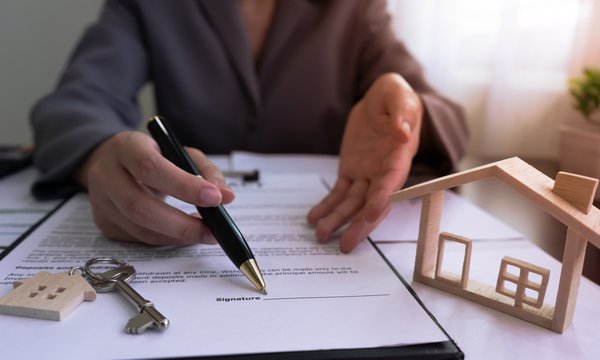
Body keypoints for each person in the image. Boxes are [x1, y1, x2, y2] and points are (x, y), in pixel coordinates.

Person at [30, 0, 468, 253]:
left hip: (319, 228)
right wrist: (100, 153)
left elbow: (445, 114)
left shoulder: (354, 8)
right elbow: (74, 103)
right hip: (186, 220)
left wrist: (408, 123)